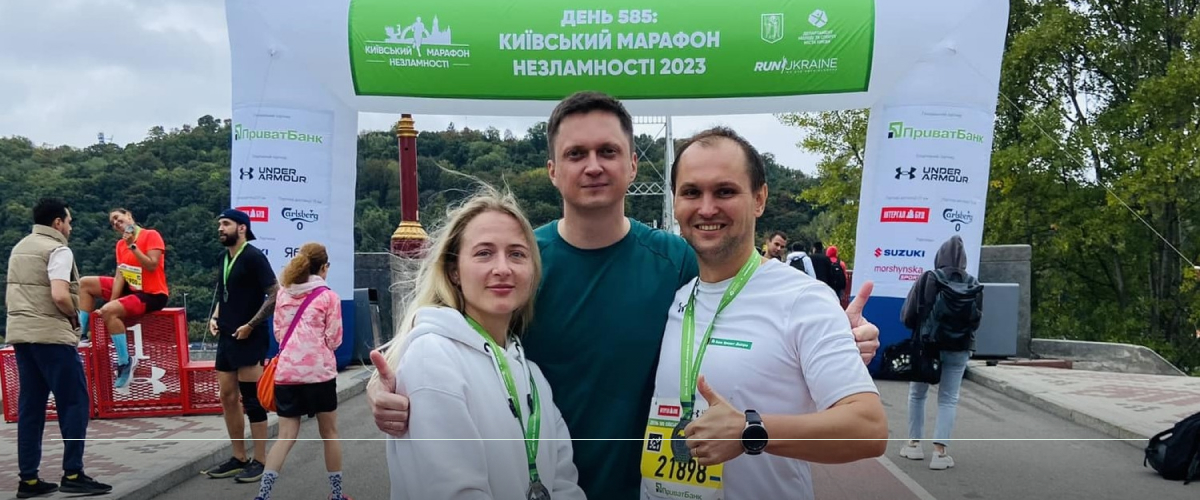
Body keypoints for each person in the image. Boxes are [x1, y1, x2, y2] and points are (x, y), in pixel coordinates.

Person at [367, 91, 882, 500]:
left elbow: (747, 301)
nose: (593, 165)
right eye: (576, 153)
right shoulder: (520, 263)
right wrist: (388, 383)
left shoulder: (678, 262)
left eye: (608, 151)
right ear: (552, 170)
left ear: (633, 165)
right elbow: (443, 331)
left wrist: (833, 339)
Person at [641, 127, 886, 500]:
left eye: (725, 191)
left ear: (759, 199)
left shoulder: (802, 298)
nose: (706, 208)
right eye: (691, 192)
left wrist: (750, 431)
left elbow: (868, 429)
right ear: (675, 202)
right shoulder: (678, 298)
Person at [377, 187, 585, 500]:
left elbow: (565, 484)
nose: (502, 268)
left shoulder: (532, 375)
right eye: (484, 253)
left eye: (517, 254)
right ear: (454, 272)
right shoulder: (432, 356)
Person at [6, 198, 112, 498]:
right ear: (57, 223)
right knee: (74, 402)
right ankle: (73, 474)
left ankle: (28, 480)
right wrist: (73, 317)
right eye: (69, 221)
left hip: (23, 337)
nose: (70, 227)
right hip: (52, 337)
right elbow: (60, 295)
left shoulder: (20, 248)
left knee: (31, 407)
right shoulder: (58, 250)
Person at [254, 243, 349, 500]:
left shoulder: (284, 294)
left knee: (285, 436)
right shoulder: (329, 297)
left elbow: (278, 334)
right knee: (329, 433)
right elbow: (335, 339)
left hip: (287, 374)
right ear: (323, 267)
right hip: (319, 375)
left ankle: (263, 495)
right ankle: (336, 495)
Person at [202, 209, 279, 483]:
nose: (220, 228)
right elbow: (225, 296)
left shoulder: (254, 257)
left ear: (242, 228)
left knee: (252, 399)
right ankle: (238, 457)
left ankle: (261, 460)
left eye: (226, 224)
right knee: (227, 396)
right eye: (219, 224)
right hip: (226, 336)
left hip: (250, 337)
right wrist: (215, 317)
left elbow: (275, 294)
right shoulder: (223, 257)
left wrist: (251, 324)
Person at [897, 235, 983, 470]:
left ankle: (914, 445)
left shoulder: (929, 278)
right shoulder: (973, 284)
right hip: (959, 347)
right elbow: (976, 322)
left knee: (917, 394)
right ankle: (940, 453)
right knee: (948, 398)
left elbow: (908, 316)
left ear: (939, 257)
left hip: (927, 346)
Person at [77, 208, 170, 388]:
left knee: (109, 312)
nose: (116, 224)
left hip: (152, 293)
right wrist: (112, 301)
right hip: (131, 287)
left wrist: (133, 246)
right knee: (85, 283)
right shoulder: (120, 245)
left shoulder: (151, 235)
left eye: (118, 219)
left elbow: (152, 265)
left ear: (128, 215)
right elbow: (120, 275)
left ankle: (125, 361)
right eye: (113, 223)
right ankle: (80, 334)